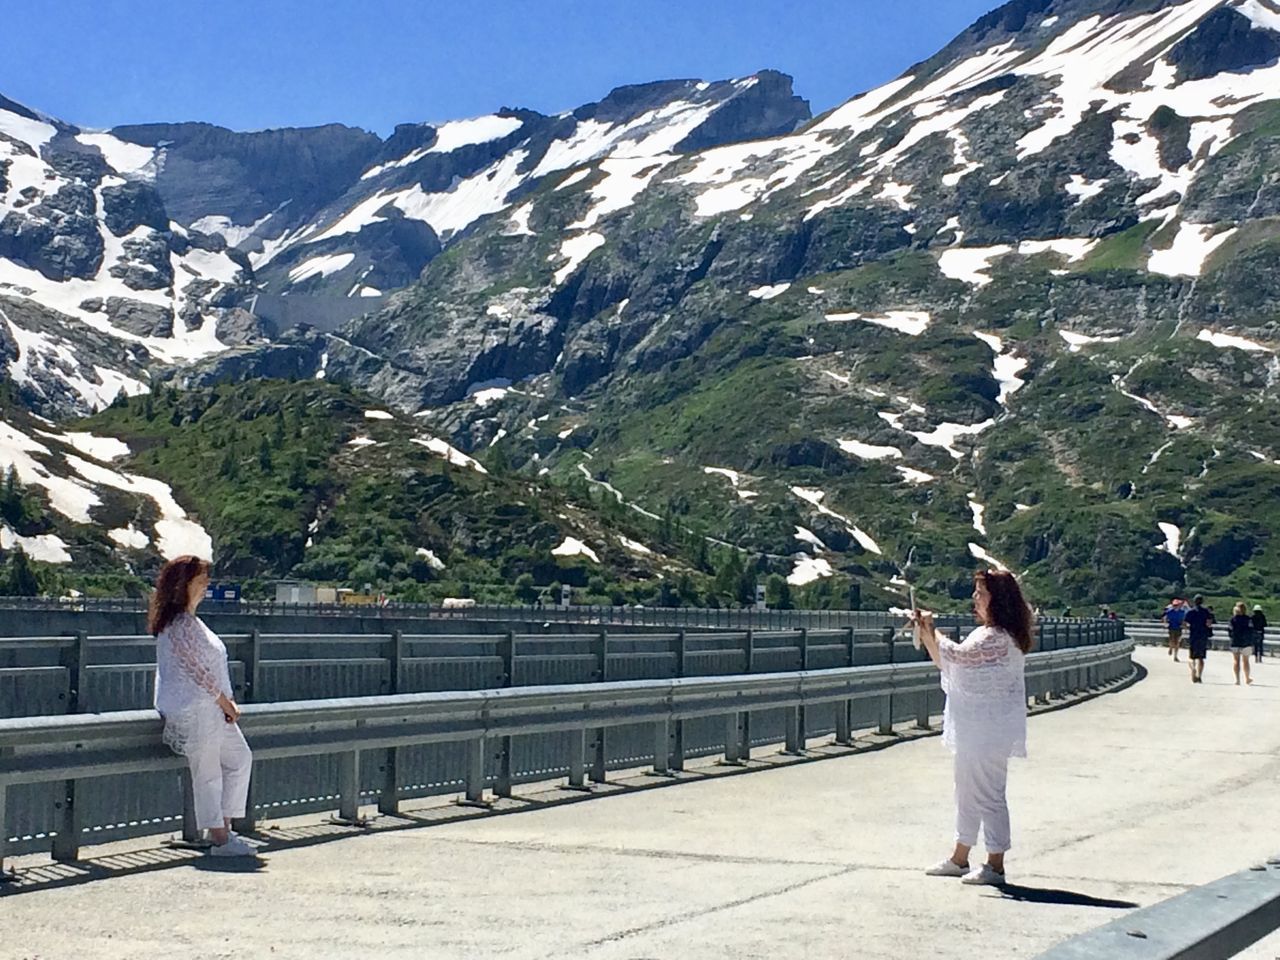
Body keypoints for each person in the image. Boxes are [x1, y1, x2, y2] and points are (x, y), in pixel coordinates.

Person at [913, 569, 1033, 887]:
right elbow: (950, 662)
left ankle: (995, 864)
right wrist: (927, 632)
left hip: (987, 731)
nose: (975, 599)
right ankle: (960, 857)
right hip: (978, 729)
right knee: (967, 792)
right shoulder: (997, 635)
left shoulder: (995, 637)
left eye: (980, 593)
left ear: (997, 599)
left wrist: (932, 630)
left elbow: (957, 657)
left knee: (989, 795)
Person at [150, 555, 257, 857]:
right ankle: (220, 838)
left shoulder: (191, 622)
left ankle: (223, 829)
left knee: (239, 759)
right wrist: (226, 702)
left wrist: (225, 702)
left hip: (211, 708)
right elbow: (197, 670)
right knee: (207, 771)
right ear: (184, 584)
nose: (206, 585)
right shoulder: (178, 625)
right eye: (201, 579)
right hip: (195, 708)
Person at [1183, 595, 1214, 684]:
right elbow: (1209, 623)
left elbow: (1185, 623)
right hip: (1203, 636)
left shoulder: (1190, 612)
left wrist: (1188, 628)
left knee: (1191, 657)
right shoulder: (1206, 612)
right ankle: (1199, 676)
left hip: (1193, 636)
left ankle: (1193, 669)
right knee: (1201, 658)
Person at [1228, 603, 1254, 686]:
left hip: (1235, 642)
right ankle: (1247, 678)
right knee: (1246, 661)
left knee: (1236, 661)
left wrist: (1232, 637)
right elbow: (1251, 630)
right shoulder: (1248, 619)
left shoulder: (1232, 619)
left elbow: (1229, 630)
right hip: (1246, 643)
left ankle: (1237, 680)